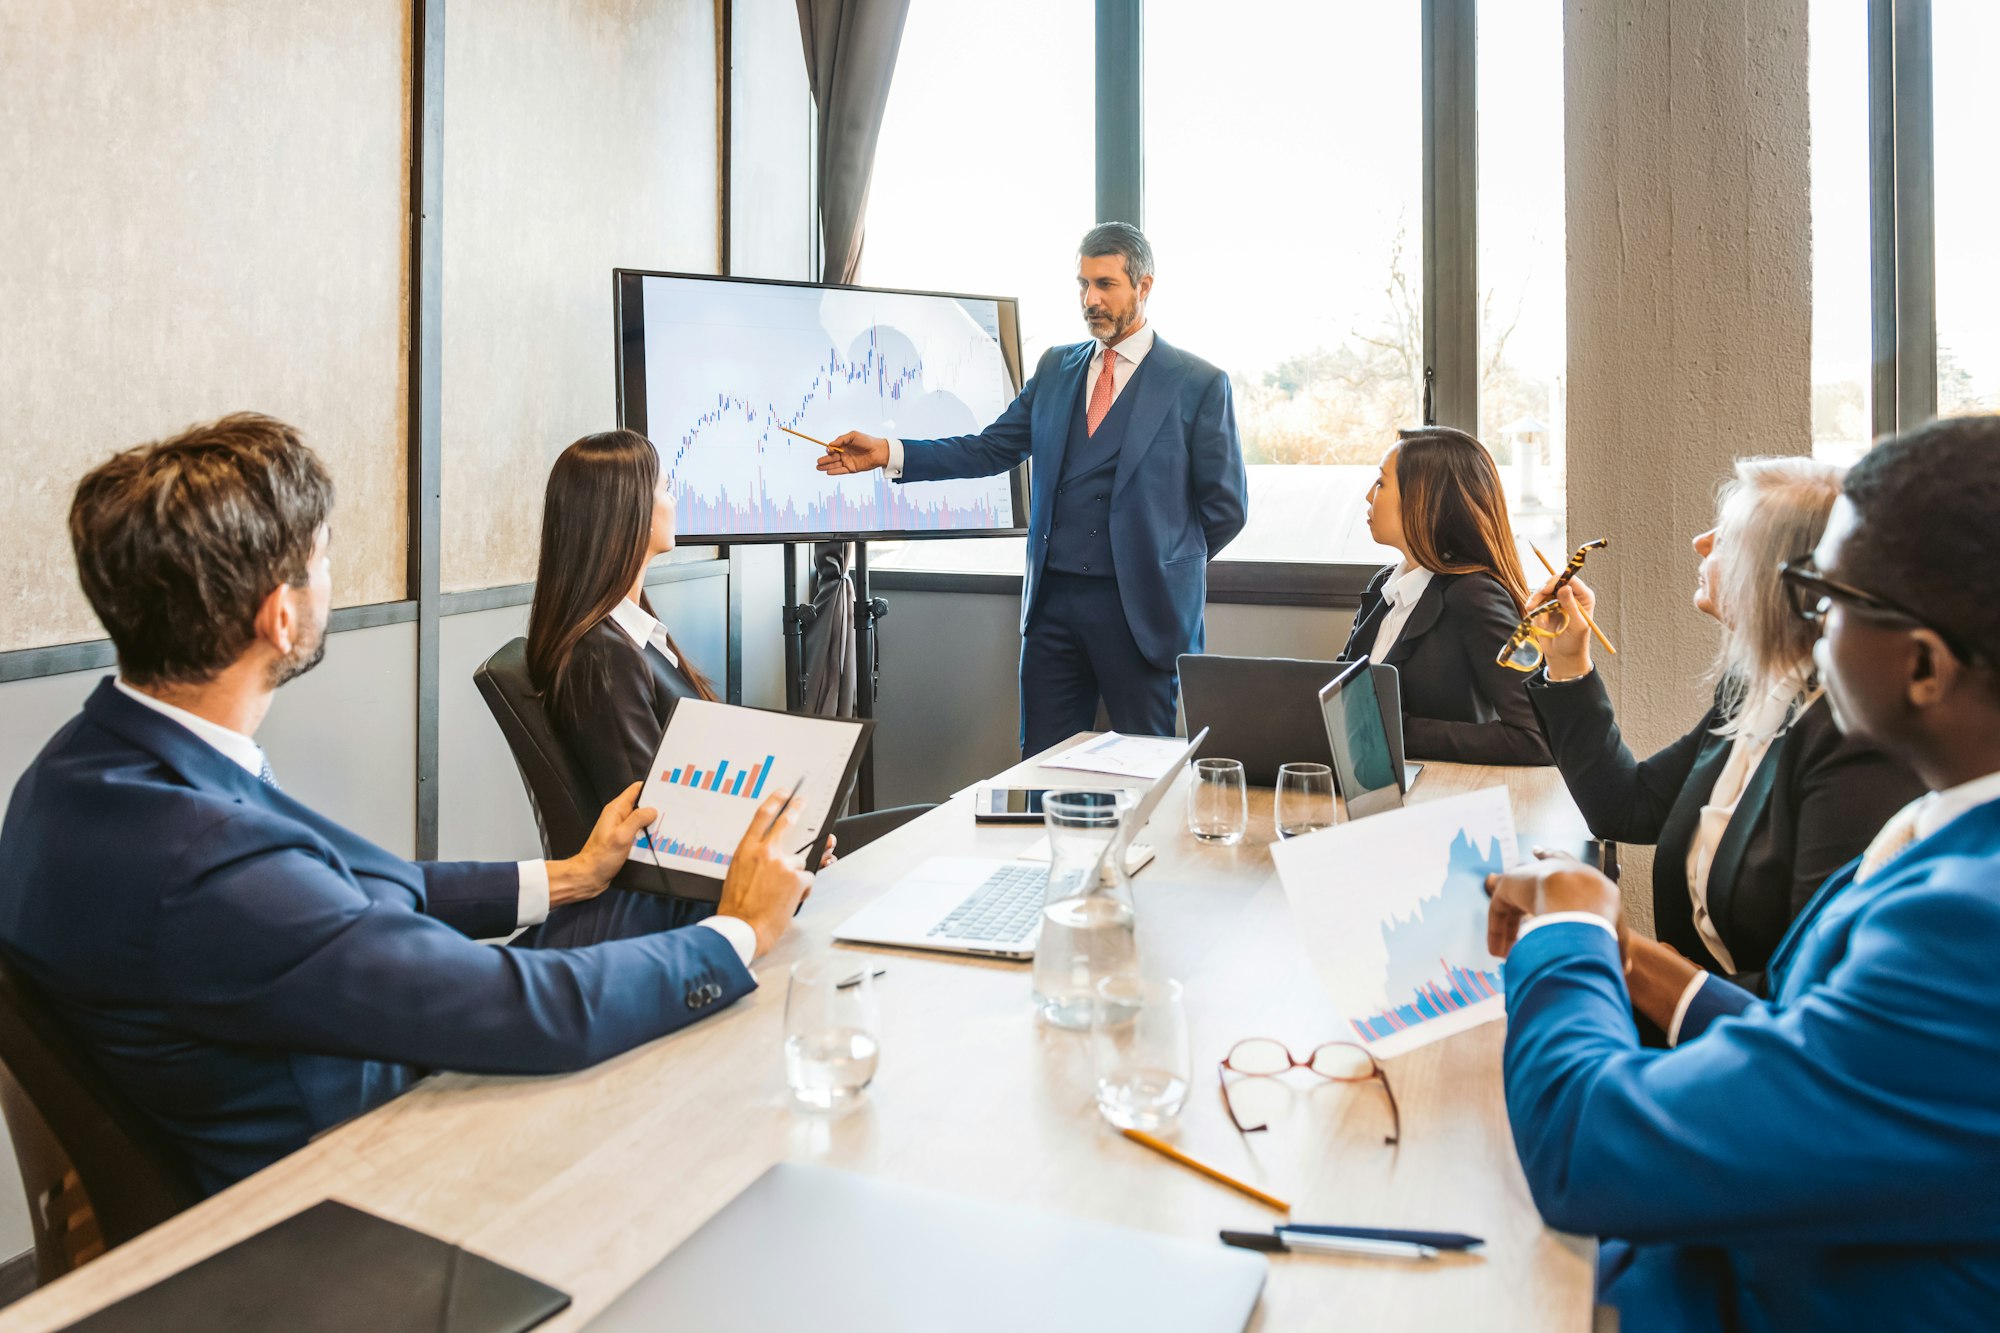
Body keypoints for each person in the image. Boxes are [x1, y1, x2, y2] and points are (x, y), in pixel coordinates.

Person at [0, 414, 814, 1195]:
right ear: (280, 618)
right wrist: (737, 931)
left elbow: (367, 886)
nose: (331, 579)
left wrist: (565, 876)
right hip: (364, 1161)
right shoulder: (208, 859)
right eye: (321, 559)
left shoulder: (82, 771)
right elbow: (532, 1012)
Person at [1486, 414, 2000, 1332]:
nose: (1812, 619)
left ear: (1922, 666)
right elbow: (1822, 1046)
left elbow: (1588, 1153)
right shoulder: (1946, 819)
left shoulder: (1969, 933)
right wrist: (1627, 953)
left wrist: (1562, 934)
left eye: (1827, 596)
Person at [815, 222, 1248, 755]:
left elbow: (1225, 509)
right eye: (1083, 284)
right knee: (1040, 770)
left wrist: (1159, 561)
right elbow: (989, 448)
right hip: (1053, 611)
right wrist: (890, 451)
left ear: (1144, 287)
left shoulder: (1198, 383)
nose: (1091, 300)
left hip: (1144, 616)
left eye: (1106, 285)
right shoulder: (1056, 368)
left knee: (1145, 771)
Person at [1527, 457, 1922, 1018]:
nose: (1699, 541)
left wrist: (1635, 963)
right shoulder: (1751, 685)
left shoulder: (1853, 743)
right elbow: (1626, 807)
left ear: (1778, 575)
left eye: (1728, 535)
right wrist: (1568, 661)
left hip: (1751, 1052)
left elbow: (1814, 993)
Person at [524, 429, 829, 946]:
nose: (675, 500)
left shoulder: (632, 632)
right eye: (666, 488)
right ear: (628, 511)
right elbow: (658, 819)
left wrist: (782, 841)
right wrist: (769, 855)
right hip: (672, 912)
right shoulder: (601, 653)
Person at [1338, 427, 1551, 765]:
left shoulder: (1476, 596)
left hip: (1445, 800)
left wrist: (1396, 732)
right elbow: (1344, 694)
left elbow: (1536, 737)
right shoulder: (1385, 584)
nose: (1368, 496)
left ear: (1423, 499)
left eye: (1380, 483)